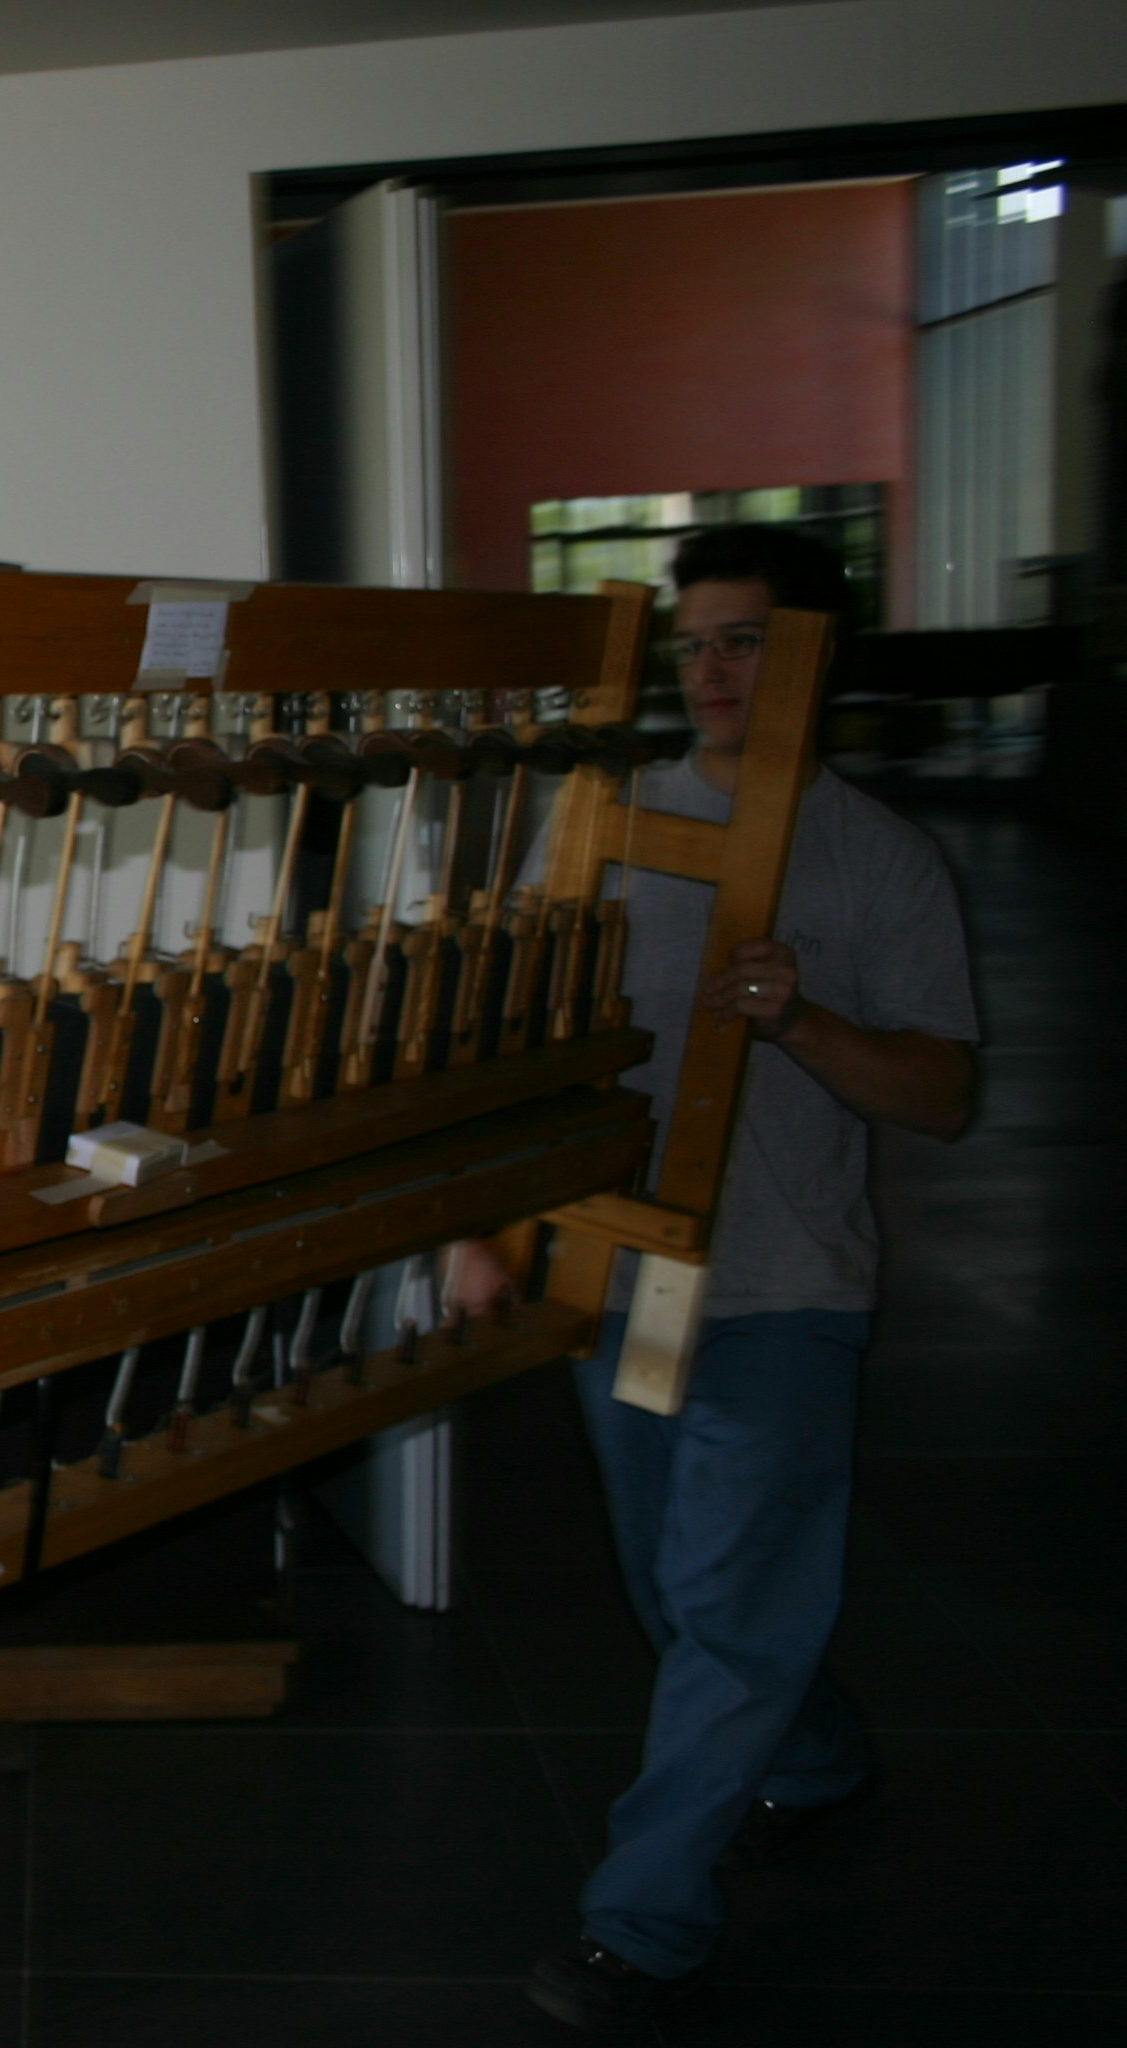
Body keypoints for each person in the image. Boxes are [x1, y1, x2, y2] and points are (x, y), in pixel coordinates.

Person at [464, 526, 978, 2033]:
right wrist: (491, 1220)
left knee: (724, 1598)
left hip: (784, 1294)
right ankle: (810, 1755)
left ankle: (646, 1921)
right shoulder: (610, 825)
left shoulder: (880, 857)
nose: (712, 669)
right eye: (695, 643)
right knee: (682, 1590)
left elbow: (942, 1096)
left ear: (815, 653)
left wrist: (804, 1022)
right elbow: (538, 1046)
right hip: (637, 1281)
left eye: (745, 639)